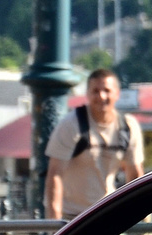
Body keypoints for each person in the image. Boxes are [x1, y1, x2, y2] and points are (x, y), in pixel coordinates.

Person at [44, 68, 144, 220]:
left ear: (117, 94)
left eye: (106, 90)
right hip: (73, 217)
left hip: (109, 213)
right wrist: (54, 222)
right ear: (88, 94)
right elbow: (55, 174)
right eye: (95, 91)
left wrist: (143, 218)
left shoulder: (128, 126)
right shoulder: (72, 124)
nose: (101, 96)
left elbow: (135, 174)